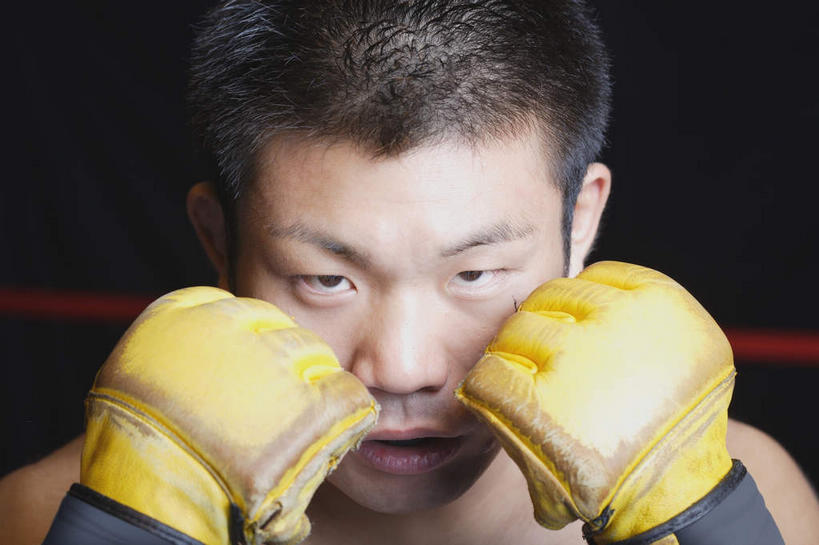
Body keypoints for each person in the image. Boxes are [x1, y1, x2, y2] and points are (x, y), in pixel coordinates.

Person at [2, 1, 818, 544]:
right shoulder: (46, 514)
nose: (399, 368)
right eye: (327, 279)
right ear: (218, 240)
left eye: (475, 273)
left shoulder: (744, 492)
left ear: (580, 225)